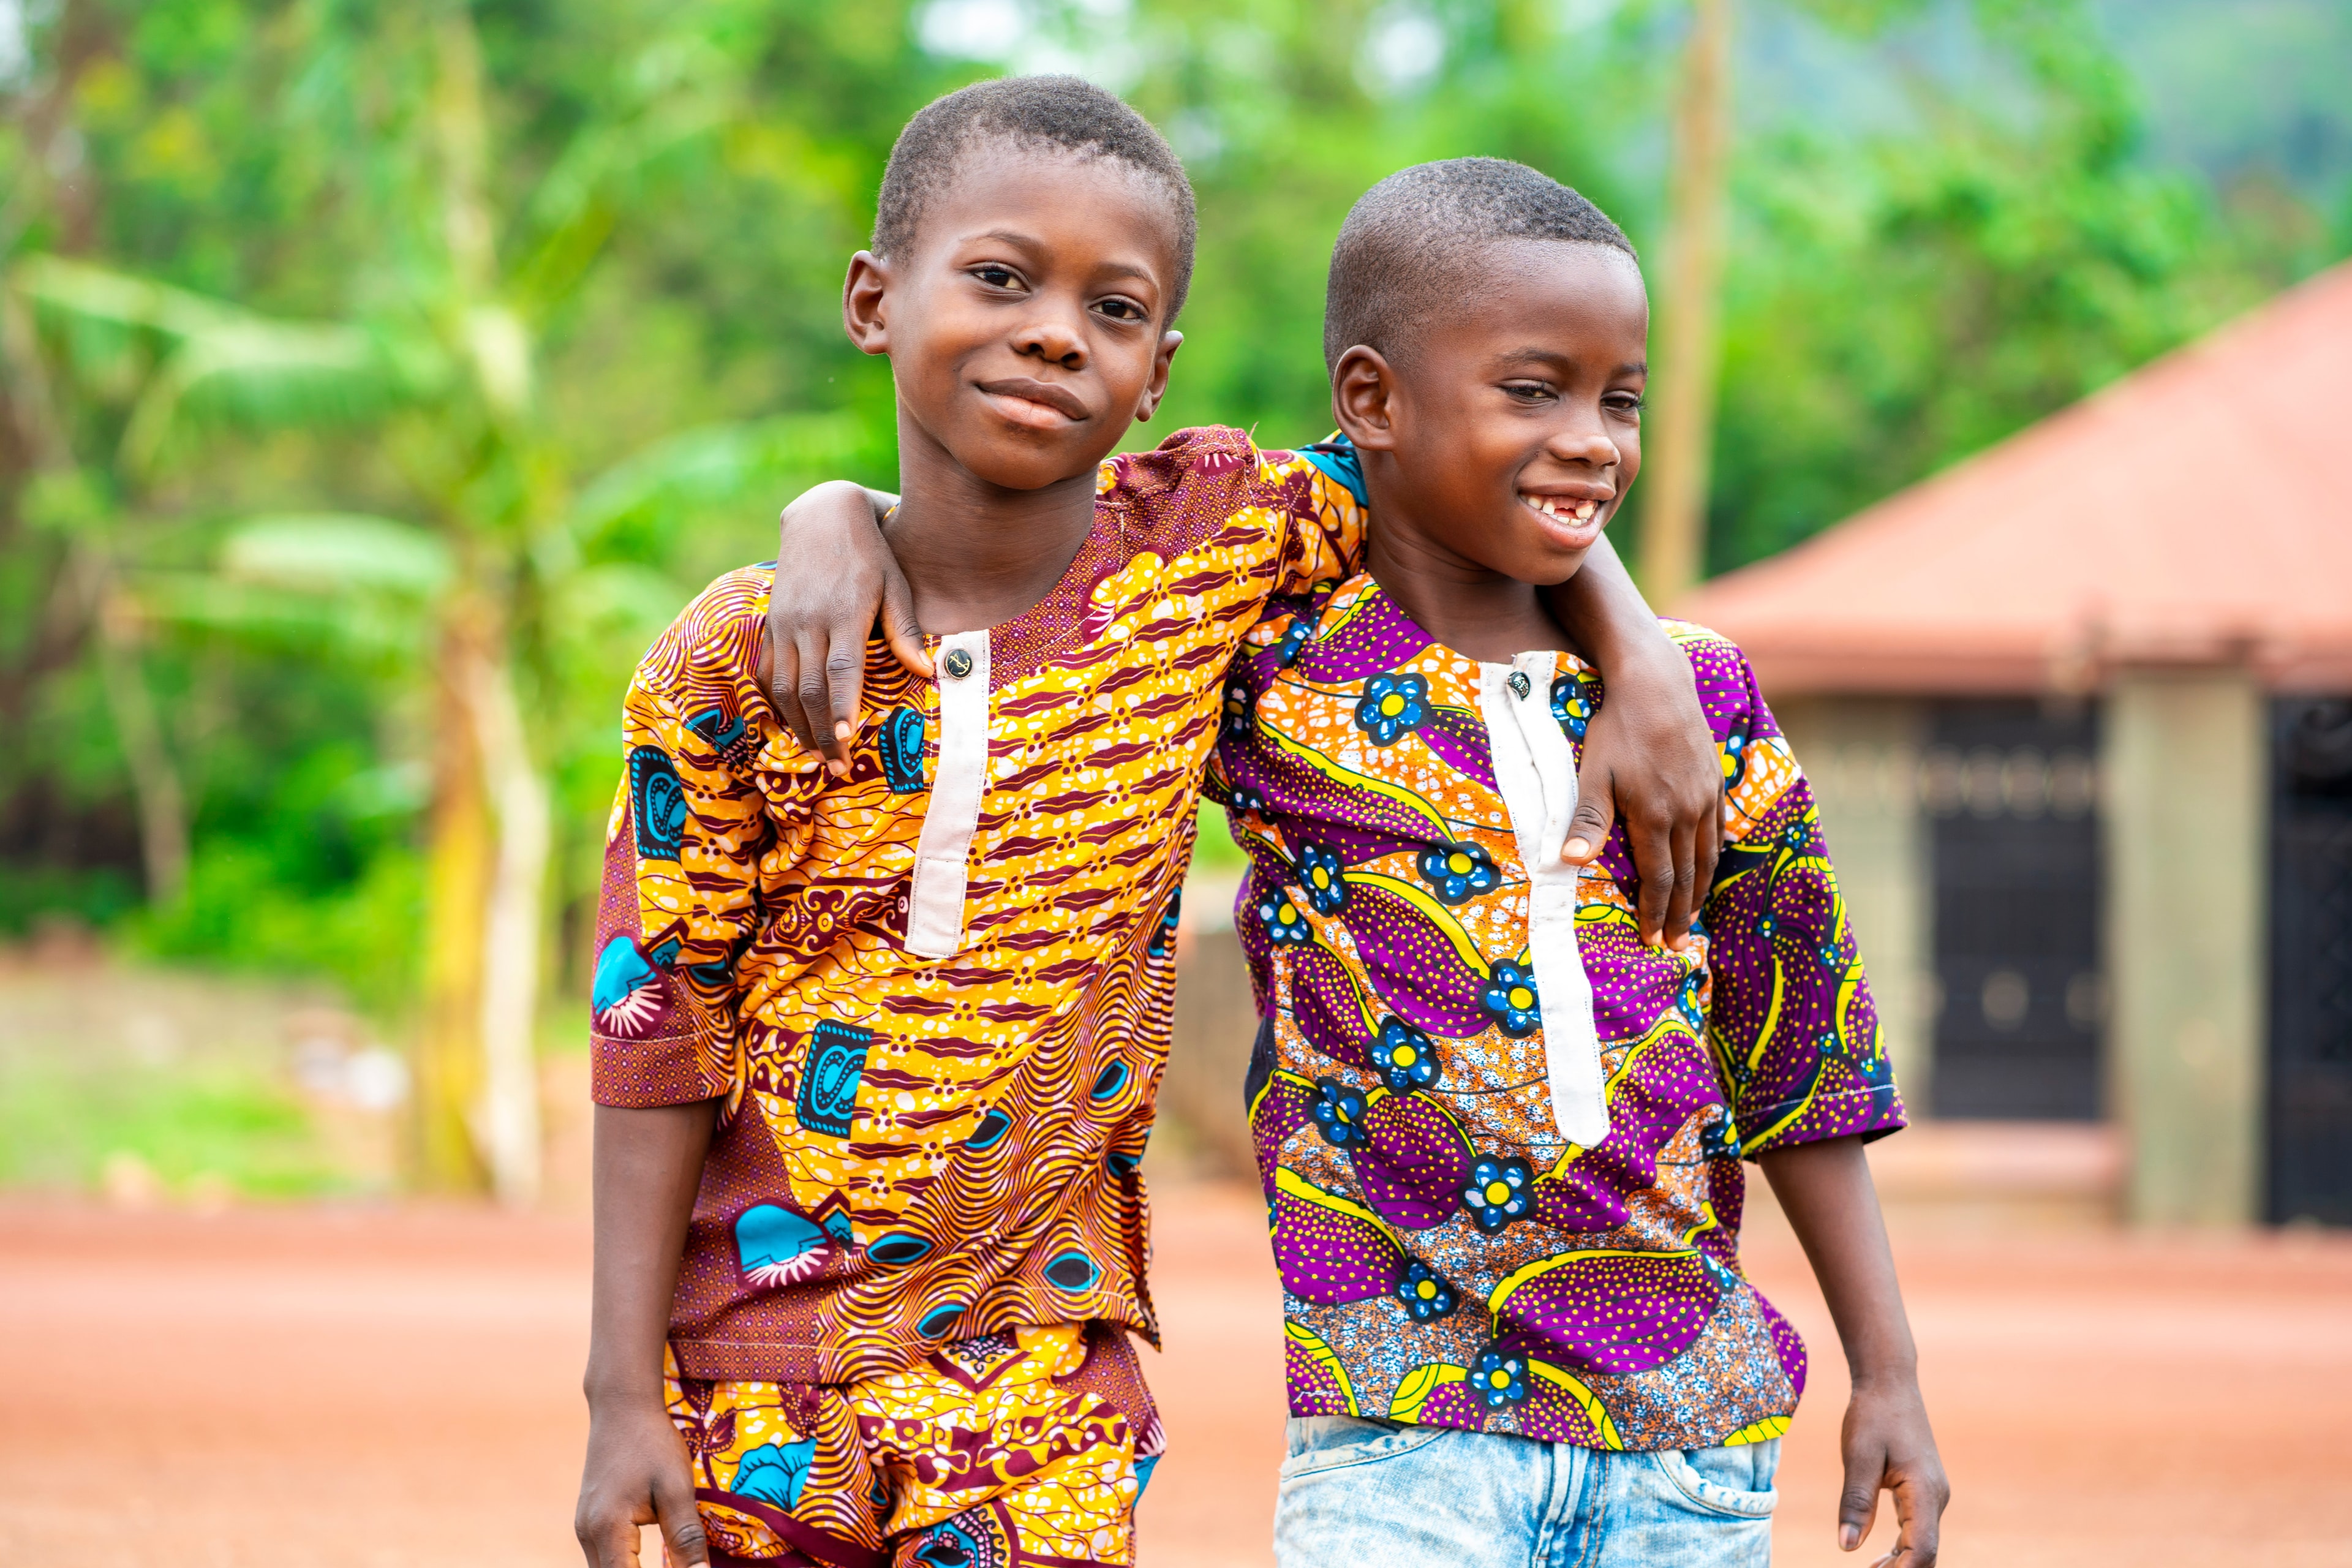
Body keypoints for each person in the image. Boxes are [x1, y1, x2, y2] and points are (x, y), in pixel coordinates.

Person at [571, 80, 1722, 1568]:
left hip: (1046, 1368)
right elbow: (656, 1027)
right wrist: (620, 1394)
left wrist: (1637, 649)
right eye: (999, 278)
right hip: (754, 1376)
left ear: (1158, 369)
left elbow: (1479, 469)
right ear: (873, 298)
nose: (1055, 331)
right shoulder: (733, 661)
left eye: (1111, 308)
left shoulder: (1213, 546)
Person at [1205, 159, 1950, 1568]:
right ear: (1372, 401)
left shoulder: (1707, 703)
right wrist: (837, 510)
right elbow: (1079, 561)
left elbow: (1802, 1056)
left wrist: (1890, 1368)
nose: (1593, 440)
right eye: (1533, 388)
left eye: (1621, 399)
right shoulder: (1274, 667)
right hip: (1399, 1434)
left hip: (1692, 1446)